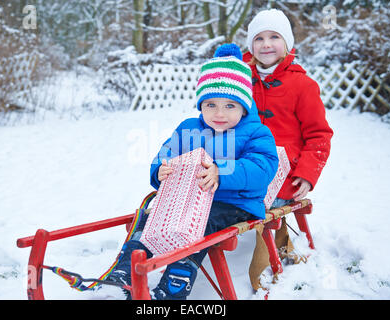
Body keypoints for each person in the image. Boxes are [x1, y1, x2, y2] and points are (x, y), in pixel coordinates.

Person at [106, 43, 279, 300]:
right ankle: (123, 273)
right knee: (149, 217)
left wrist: (222, 172)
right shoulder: (189, 127)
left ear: (245, 105)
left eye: (230, 106)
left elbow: (263, 167)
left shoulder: (256, 132)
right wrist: (160, 170)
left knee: (199, 224)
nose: (219, 114)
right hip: (185, 200)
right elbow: (167, 152)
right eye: (210, 104)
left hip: (232, 204)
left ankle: (174, 286)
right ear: (200, 104)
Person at [243, 9, 334, 207]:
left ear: (286, 43)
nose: (266, 44)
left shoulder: (303, 86)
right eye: (259, 38)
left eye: (274, 36)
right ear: (251, 45)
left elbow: (319, 135)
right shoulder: (241, 80)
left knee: (245, 201)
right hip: (244, 166)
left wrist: (307, 173)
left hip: (283, 175)